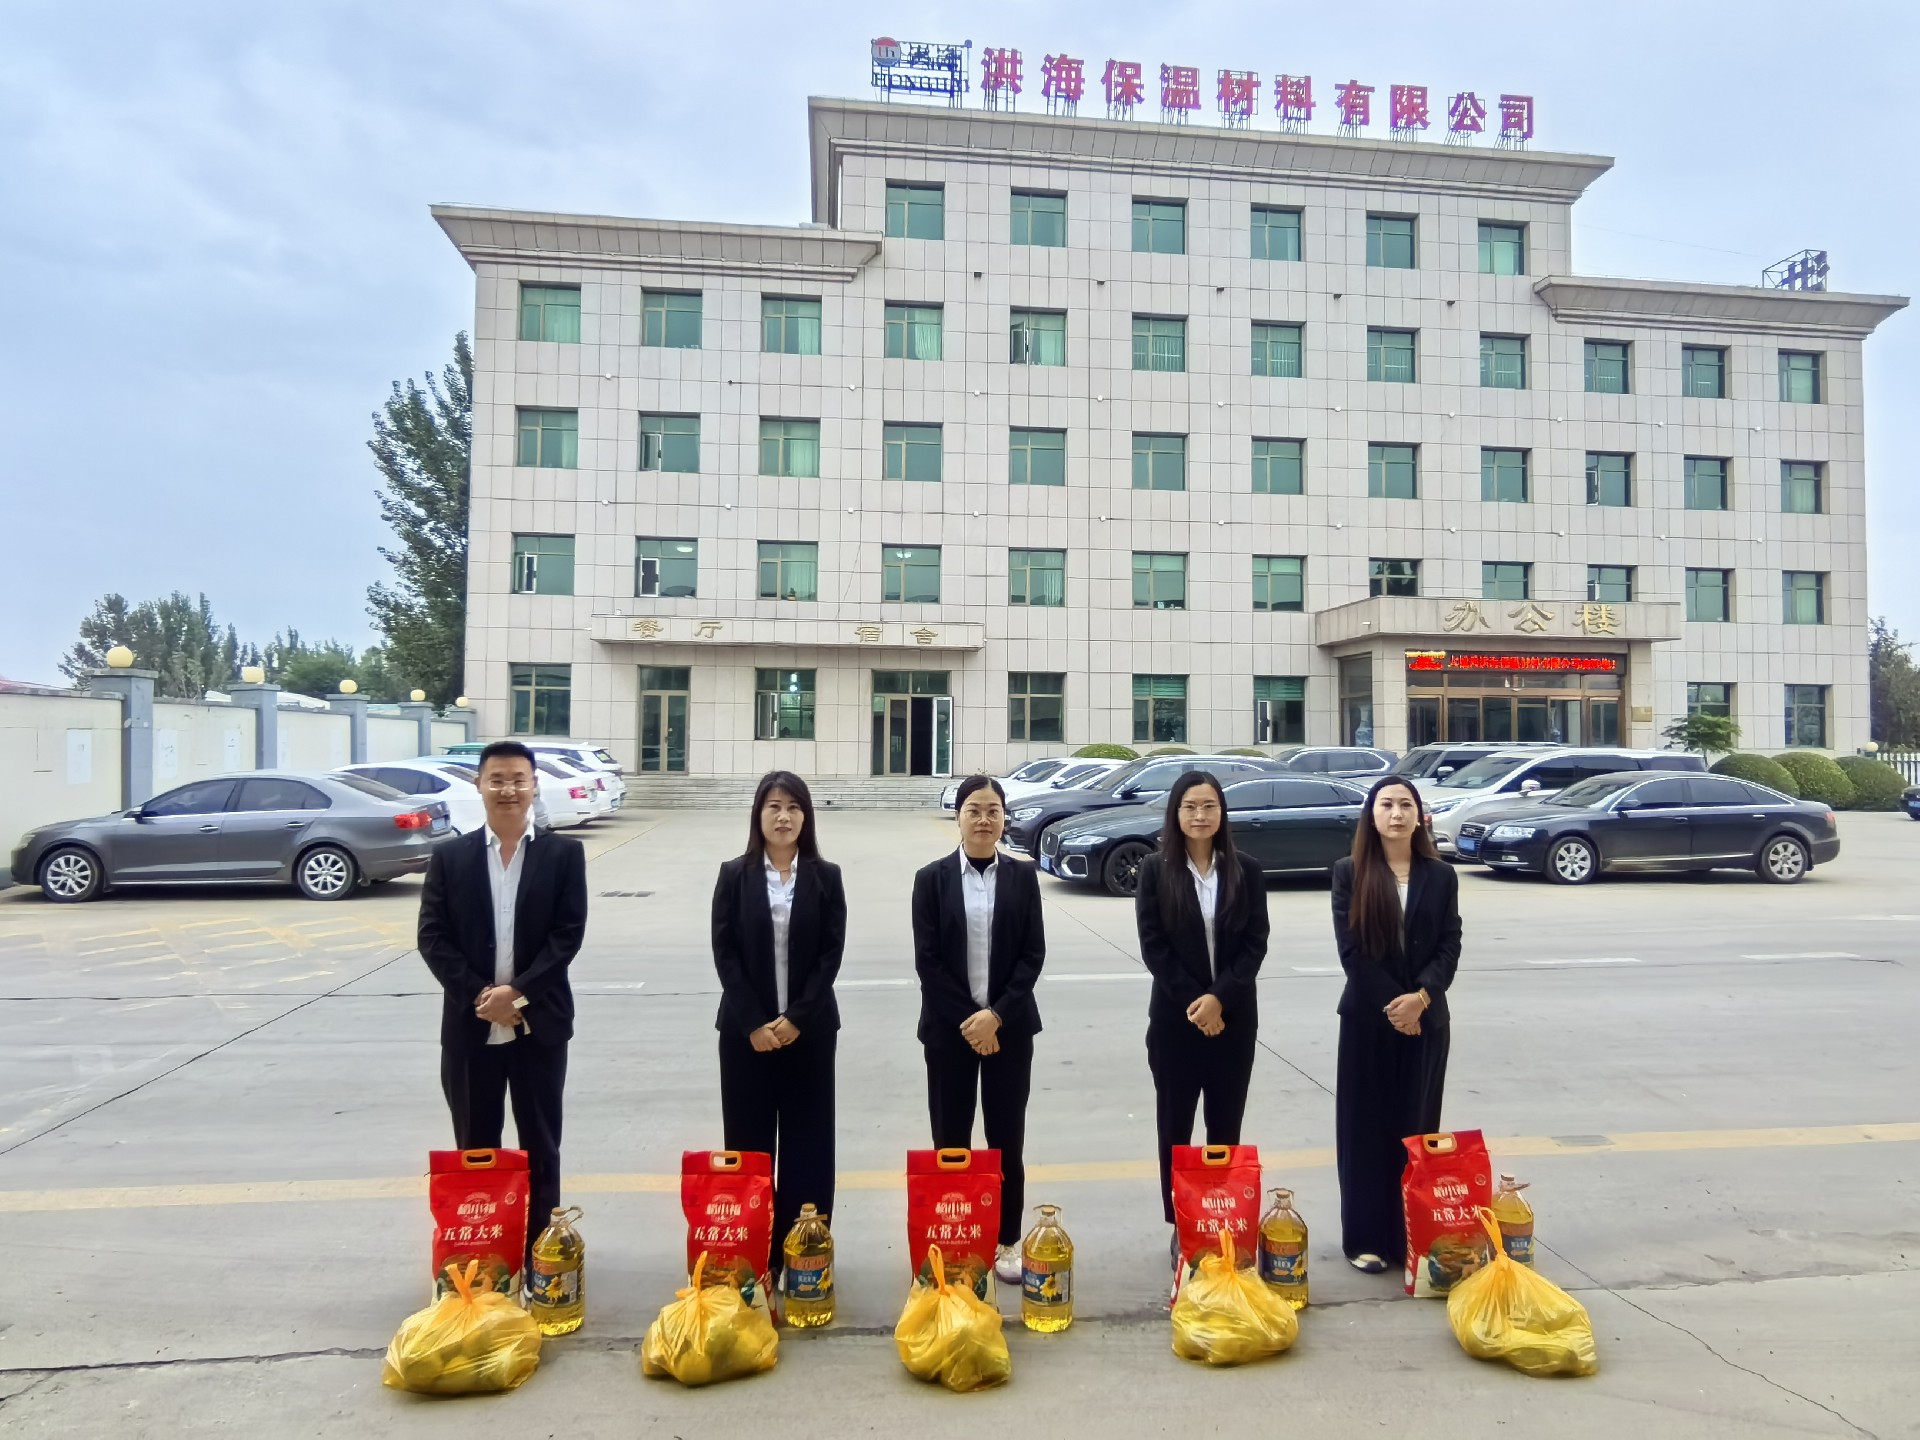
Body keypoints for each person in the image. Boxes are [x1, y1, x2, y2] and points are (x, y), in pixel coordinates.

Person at [418, 739, 589, 1281]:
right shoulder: (451, 857)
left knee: (541, 1145)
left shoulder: (563, 855)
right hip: (470, 1030)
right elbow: (432, 937)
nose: (508, 789)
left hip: (540, 1026)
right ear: (479, 785)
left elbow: (566, 937)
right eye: (497, 778)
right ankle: (484, 1256)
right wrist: (481, 997)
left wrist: (517, 995)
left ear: (534, 785)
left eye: (518, 779)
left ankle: (544, 1255)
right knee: (476, 1146)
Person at [710, 771, 846, 1301]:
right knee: (749, 1147)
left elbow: (830, 955)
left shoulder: (826, 877)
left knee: (809, 1146)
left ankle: (804, 1255)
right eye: (773, 806)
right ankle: (755, 1260)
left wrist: (796, 1019)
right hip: (746, 1037)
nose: (784, 816)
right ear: (759, 815)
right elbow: (725, 954)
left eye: (793, 806)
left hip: (809, 1034)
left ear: (805, 816)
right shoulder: (734, 875)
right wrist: (754, 1022)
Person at [911, 774, 1047, 1284]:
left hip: (1010, 1029)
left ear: (1004, 818)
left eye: (993, 810)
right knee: (951, 1138)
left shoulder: (1022, 877)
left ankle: (1007, 1239)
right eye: (974, 810)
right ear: (958, 817)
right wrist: (971, 1022)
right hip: (949, 1031)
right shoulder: (931, 879)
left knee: (1006, 1137)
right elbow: (928, 961)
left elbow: (1032, 954)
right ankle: (954, 1238)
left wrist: (997, 1016)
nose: (984, 820)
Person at [1134, 771, 1270, 1261]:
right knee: (1175, 1126)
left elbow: (1255, 942)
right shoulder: (1156, 870)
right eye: (1190, 806)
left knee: (1225, 1124)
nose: (1200, 815)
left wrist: (1221, 1000)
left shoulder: (1246, 869)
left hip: (1234, 1021)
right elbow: (1154, 947)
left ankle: (1221, 1217)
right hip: (1176, 1021)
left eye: (1209, 806)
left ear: (1221, 813)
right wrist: (1198, 1003)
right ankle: (1182, 1223)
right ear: (1176, 813)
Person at [1329, 776, 1462, 1273]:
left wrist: (1422, 998)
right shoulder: (1349, 872)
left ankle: (1412, 1235)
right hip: (1368, 1021)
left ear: (1419, 816)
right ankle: (1364, 1239)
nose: (1396, 813)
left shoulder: (1440, 876)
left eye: (1406, 804)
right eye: (1386, 804)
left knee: (1416, 1128)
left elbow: (1450, 943)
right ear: (1372, 814)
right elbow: (1352, 952)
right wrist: (1396, 1006)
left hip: (1427, 1022)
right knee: (1364, 1130)